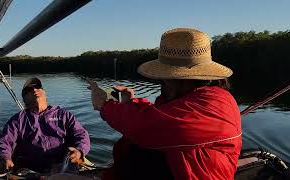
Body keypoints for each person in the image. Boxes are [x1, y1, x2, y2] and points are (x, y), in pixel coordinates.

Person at [87, 28, 242, 179]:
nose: (161, 83)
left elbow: (148, 129)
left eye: (163, 77)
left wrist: (105, 105)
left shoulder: (216, 104)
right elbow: (159, 117)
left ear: (182, 79)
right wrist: (130, 102)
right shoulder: (187, 98)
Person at [0, 77, 90, 174]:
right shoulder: (17, 120)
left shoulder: (64, 115)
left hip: (63, 167)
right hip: (31, 171)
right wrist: (3, 158)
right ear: (24, 99)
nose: (34, 89)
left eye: (37, 87)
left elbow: (81, 135)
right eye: (29, 90)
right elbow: (3, 141)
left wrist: (79, 151)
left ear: (44, 92)